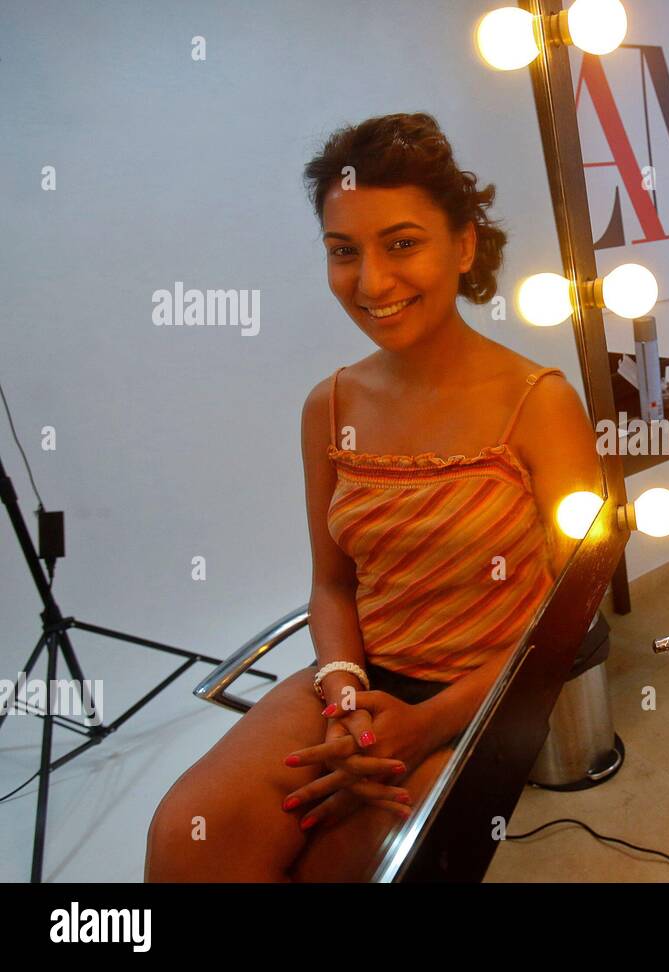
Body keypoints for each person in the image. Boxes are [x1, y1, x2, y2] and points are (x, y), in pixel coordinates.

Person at [145, 112, 601, 881]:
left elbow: (572, 619)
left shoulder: (538, 403)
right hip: (358, 682)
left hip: (483, 697)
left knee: (344, 867)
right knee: (188, 841)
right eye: (342, 252)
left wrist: (424, 725)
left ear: (463, 246)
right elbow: (330, 583)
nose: (372, 282)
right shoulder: (329, 407)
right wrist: (347, 696)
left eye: (402, 244)